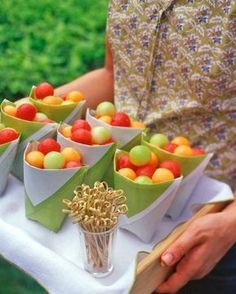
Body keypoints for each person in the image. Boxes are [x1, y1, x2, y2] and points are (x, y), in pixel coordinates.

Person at [56, 1, 236, 293]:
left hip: (206, 227)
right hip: (118, 193)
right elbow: (113, 76)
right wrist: (32, 108)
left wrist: (231, 222)